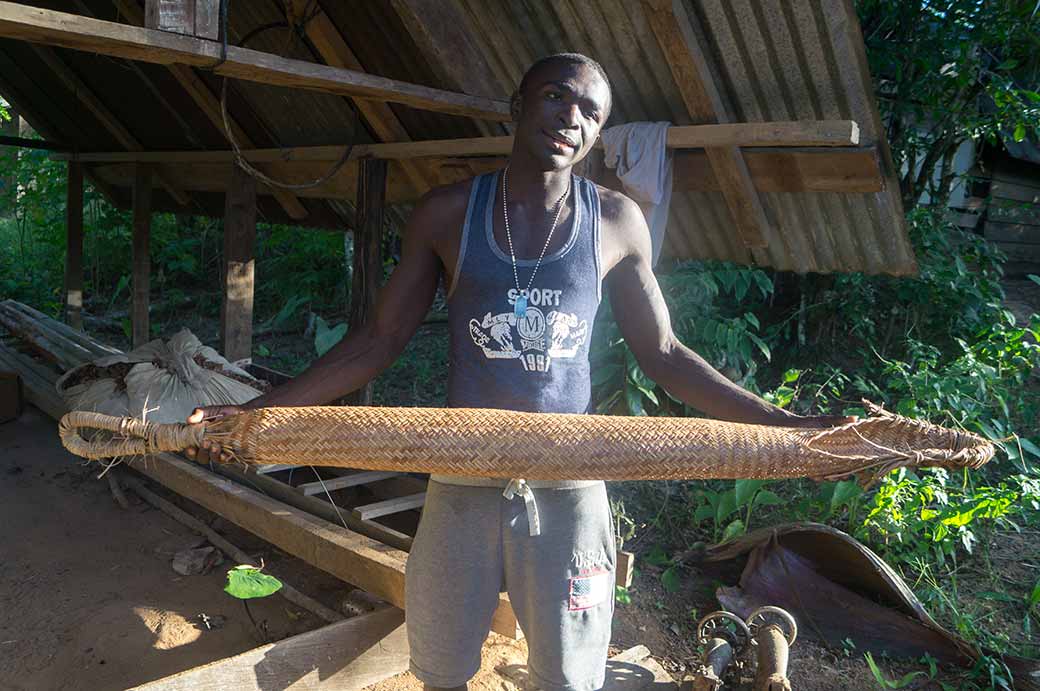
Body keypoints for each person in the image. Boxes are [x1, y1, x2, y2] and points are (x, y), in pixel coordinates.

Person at [188, 53, 849, 691]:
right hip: (461, 476)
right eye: (557, 96)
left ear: (596, 133)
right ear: (518, 106)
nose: (571, 117)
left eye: (591, 111)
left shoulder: (616, 221)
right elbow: (378, 339)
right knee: (443, 662)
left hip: (568, 483)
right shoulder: (450, 212)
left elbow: (666, 355)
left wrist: (786, 425)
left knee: (567, 670)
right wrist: (260, 414)